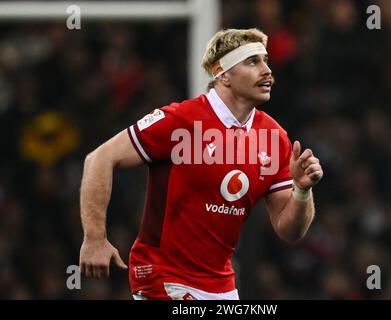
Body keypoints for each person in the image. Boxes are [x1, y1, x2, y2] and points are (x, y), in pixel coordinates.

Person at [79, 28, 323, 300]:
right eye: (253, 61)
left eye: (265, 60)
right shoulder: (181, 120)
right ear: (223, 74)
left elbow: (289, 231)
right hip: (163, 277)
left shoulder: (274, 138)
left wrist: (302, 191)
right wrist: (94, 238)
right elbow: (99, 158)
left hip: (221, 286)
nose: (267, 70)